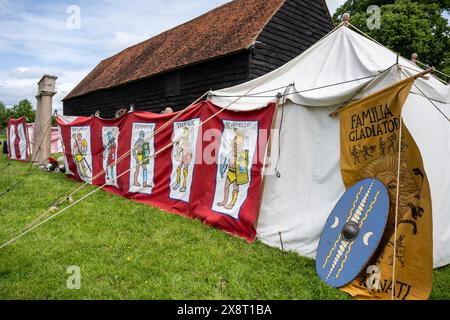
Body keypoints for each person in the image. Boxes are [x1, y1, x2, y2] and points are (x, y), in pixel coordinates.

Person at [217, 128, 249, 210]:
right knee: (226, 186)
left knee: (235, 188)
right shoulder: (233, 149)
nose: (234, 144)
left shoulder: (241, 153)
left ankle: (232, 203)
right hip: (230, 172)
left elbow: (242, 167)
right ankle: (225, 200)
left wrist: (236, 161)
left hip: (236, 173)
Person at [173, 127, 192, 192]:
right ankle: (178, 183)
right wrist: (177, 143)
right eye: (184, 132)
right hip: (182, 155)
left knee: (185, 169)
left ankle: (184, 185)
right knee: (178, 168)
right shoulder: (182, 140)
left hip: (187, 155)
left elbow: (188, 150)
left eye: (186, 132)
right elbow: (179, 149)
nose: (185, 133)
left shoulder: (188, 141)